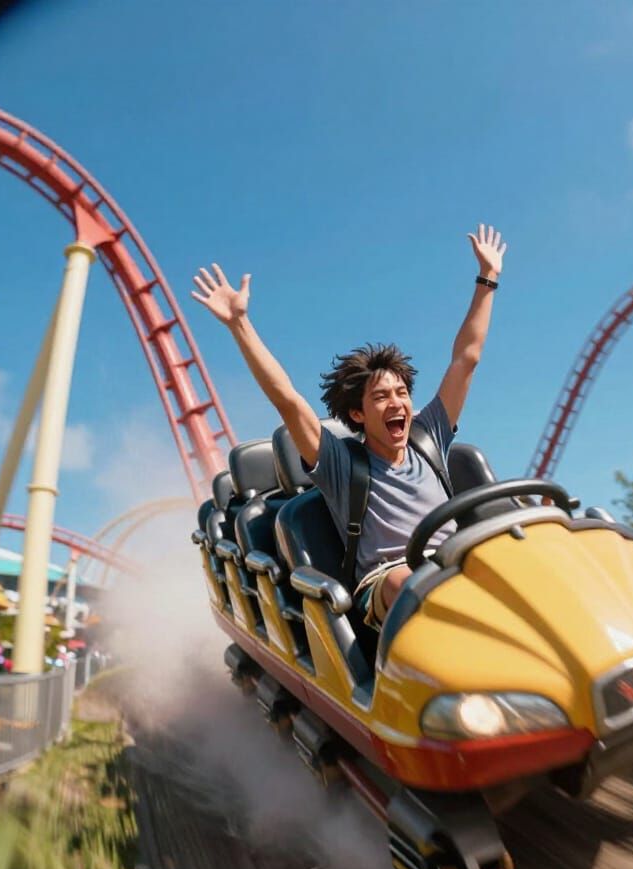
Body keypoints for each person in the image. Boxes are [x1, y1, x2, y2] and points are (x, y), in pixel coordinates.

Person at [191, 223, 507, 629]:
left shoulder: (430, 437)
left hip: (458, 564)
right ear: (357, 414)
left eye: (401, 393)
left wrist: (488, 278)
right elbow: (287, 399)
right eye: (381, 397)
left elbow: (466, 359)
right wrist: (239, 325)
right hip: (391, 582)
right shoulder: (342, 465)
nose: (396, 403)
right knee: (411, 581)